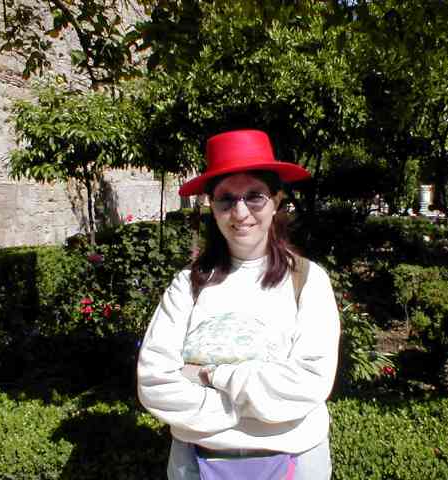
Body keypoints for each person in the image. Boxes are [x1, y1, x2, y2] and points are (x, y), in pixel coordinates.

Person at [137, 129, 340, 480]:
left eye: (255, 196)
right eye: (226, 199)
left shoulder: (308, 281)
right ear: (212, 207)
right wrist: (258, 404)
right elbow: (154, 382)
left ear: (276, 201)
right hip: (196, 464)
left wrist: (209, 375)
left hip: (297, 461)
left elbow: (309, 383)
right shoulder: (187, 285)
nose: (240, 211)